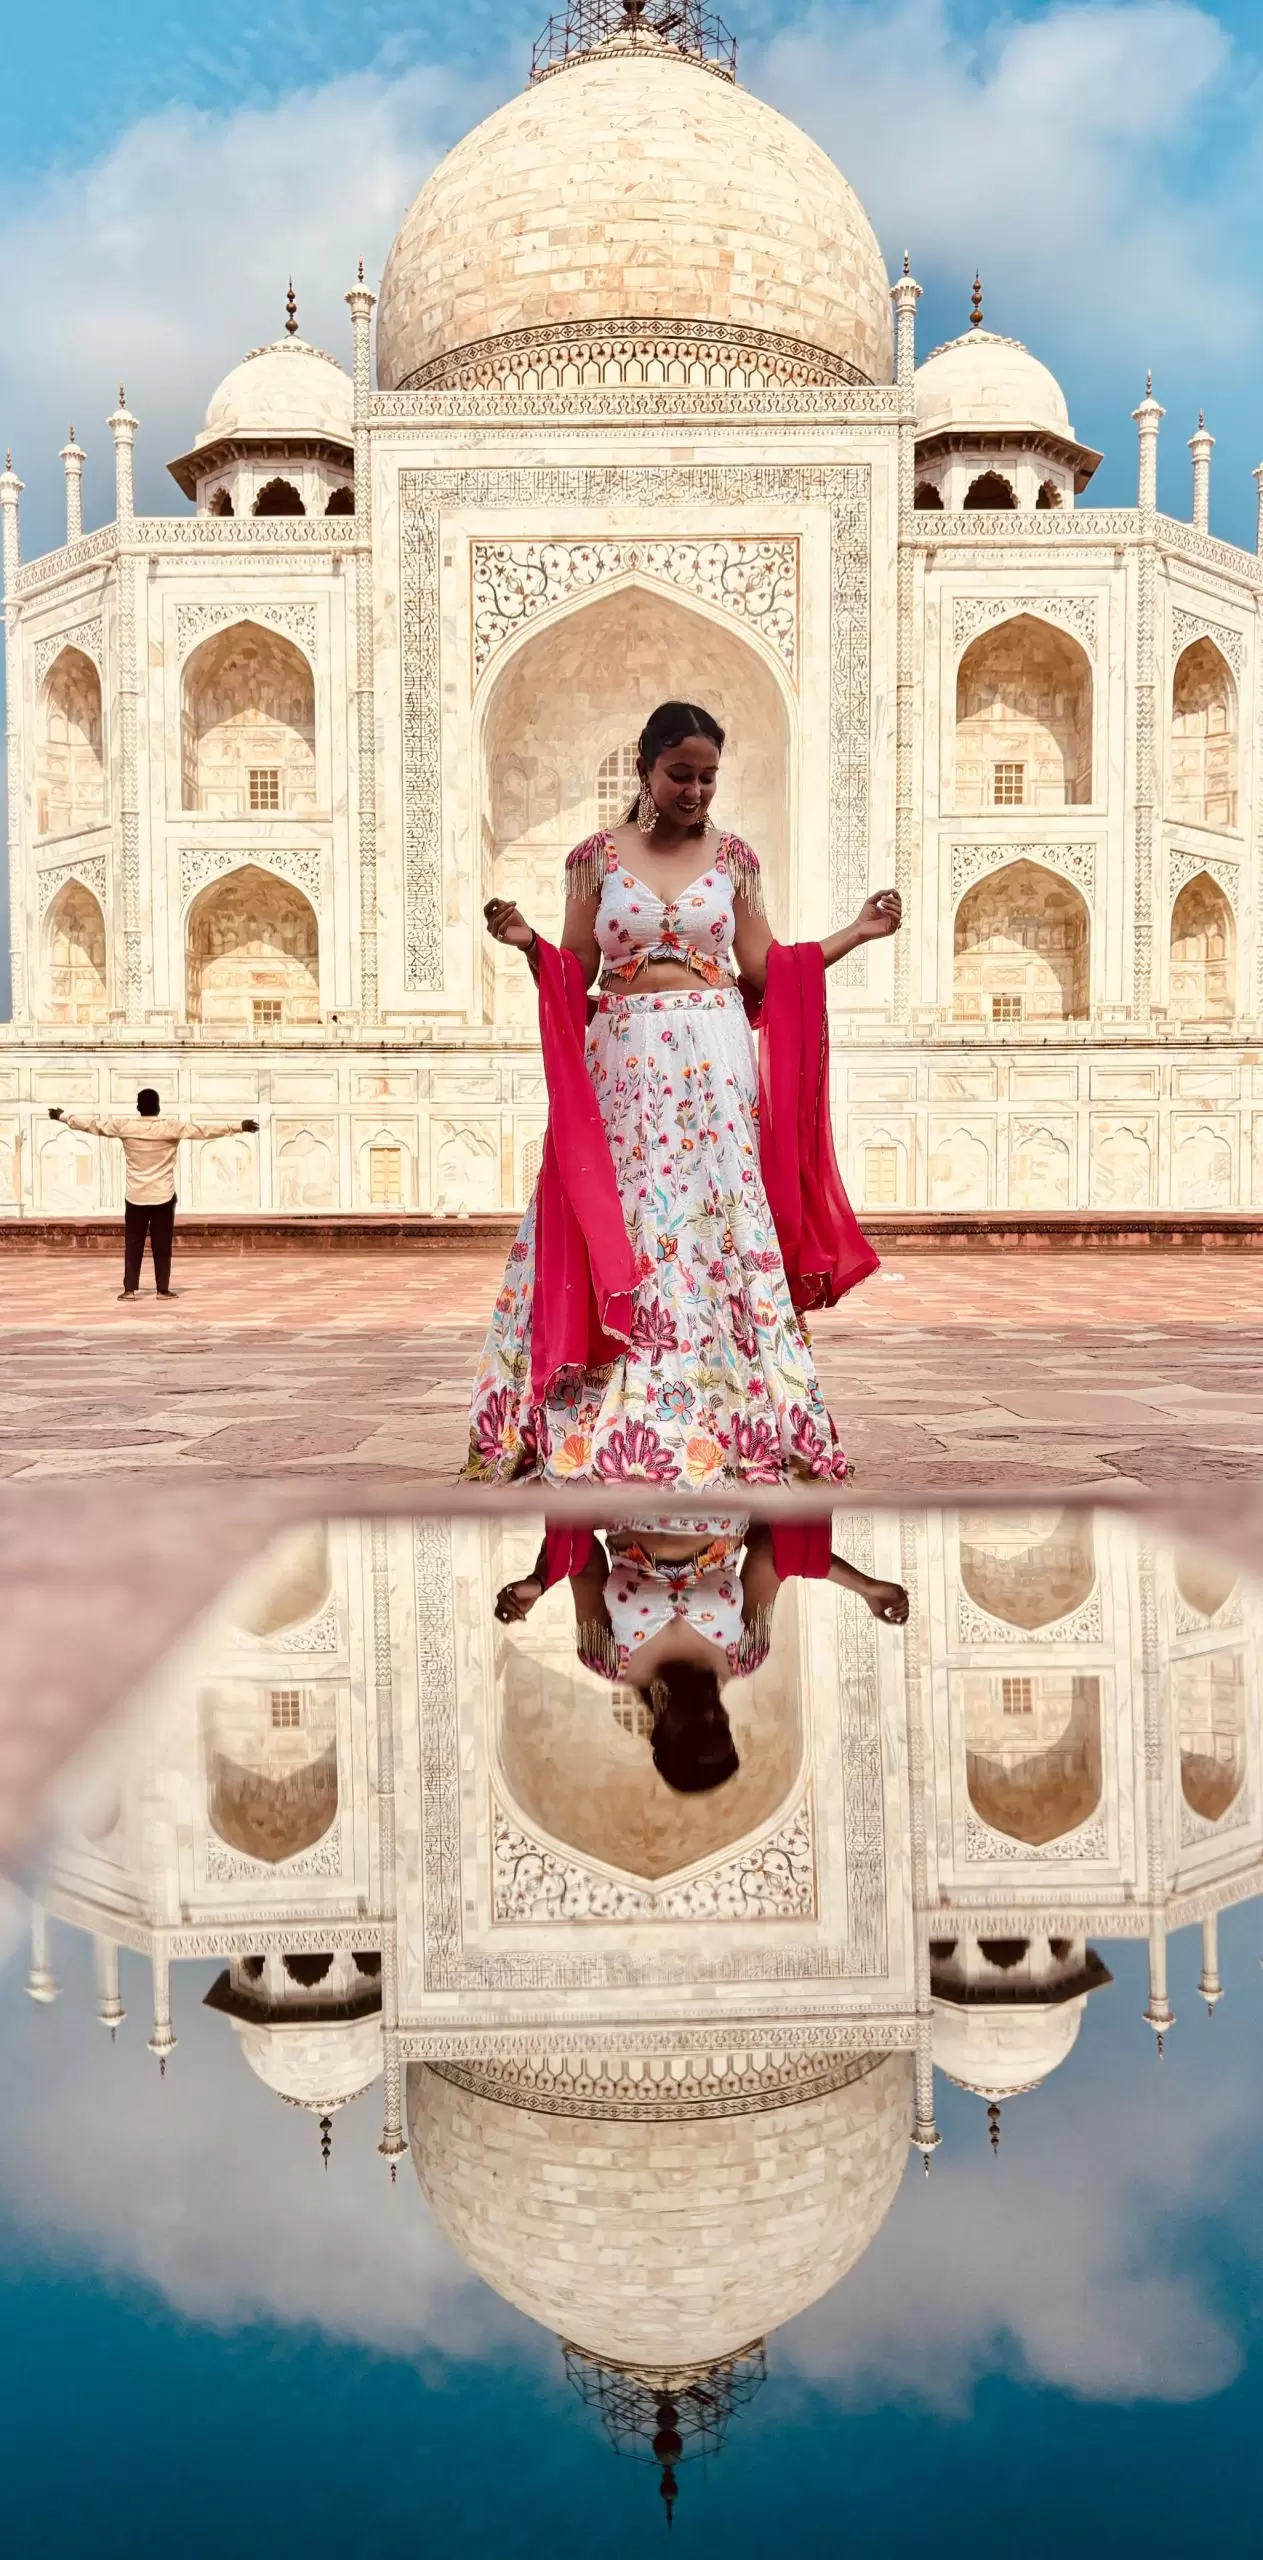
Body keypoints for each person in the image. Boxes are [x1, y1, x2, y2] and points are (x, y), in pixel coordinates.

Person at [468, 698, 901, 1490]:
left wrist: (854, 932)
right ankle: (606, 1411)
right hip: (626, 1057)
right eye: (680, 775)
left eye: (707, 777)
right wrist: (529, 943)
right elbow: (572, 972)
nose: (695, 791)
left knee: (716, 1221)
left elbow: (768, 970)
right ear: (644, 768)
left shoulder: (734, 858)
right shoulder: (594, 859)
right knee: (631, 1216)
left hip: (712, 1053)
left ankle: (728, 1412)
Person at [494, 1518, 909, 1796]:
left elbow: (581, 1559)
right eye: (721, 1726)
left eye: (695, 1731)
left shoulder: (605, 1657)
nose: (710, 1714)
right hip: (718, 1486)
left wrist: (536, 1582)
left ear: (660, 1737)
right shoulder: (744, 1655)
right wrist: (866, 1588)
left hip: (633, 1482)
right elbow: (774, 1554)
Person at [48, 1090, 259, 1299]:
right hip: (163, 1196)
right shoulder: (170, 1127)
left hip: (135, 1196)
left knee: (133, 1243)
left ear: (138, 1107)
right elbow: (204, 1131)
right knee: (162, 1244)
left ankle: (130, 1290)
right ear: (158, 1107)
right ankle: (162, 1289)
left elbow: (93, 1125)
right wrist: (239, 1127)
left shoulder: (126, 1126)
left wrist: (63, 1116)